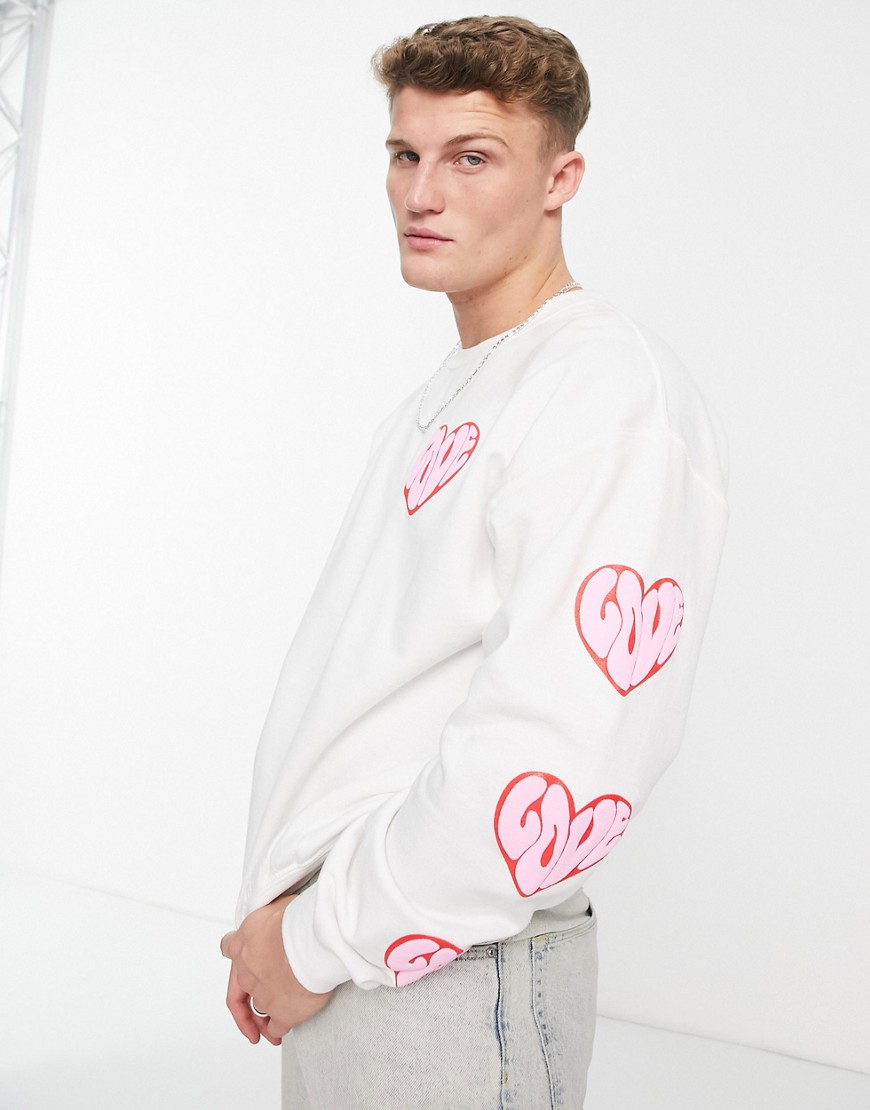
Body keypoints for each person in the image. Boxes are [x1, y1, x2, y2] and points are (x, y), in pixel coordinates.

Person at [221, 15, 728, 1108]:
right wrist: (286, 921)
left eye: (472, 158)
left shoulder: (605, 390)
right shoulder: (456, 388)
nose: (422, 193)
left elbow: (559, 750)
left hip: (448, 981)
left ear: (561, 179)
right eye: (405, 154)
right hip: (366, 961)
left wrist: (312, 939)